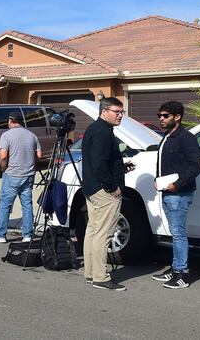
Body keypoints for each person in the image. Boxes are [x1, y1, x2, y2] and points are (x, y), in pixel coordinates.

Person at [151, 101, 200, 289]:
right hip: (167, 192)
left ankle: (182, 274)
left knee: (179, 234)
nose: (161, 119)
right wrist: (159, 181)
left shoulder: (186, 138)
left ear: (177, 117)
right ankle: (175, 268)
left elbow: (195, 166)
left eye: (165, 115)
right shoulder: (167, 137)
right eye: (159, 116)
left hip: (179, 194)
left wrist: (176, 184)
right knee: (175, 233)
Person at [81, 97, 129, 291]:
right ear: (104, 111)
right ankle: (101, 277)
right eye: (116, 112)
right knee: (104, 232)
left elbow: (101, 162)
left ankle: (91, 273)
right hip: (103, 190)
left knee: (93, 230)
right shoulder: (102, 132)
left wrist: (121, 168)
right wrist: (112, 186)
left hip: (92, 187)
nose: (120, 116)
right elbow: (100, 165)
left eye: (121, 112)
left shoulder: (97, 129)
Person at [0, 112, 42, 243]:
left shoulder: (6, 135)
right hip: (28, 174)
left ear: (11, 121)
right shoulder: (32, 135)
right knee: (27, 205)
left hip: (12, 174)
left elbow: (3, 156)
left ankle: (0, 234)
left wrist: (3, 168)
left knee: (5, 204)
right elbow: (39, 154)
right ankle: (27, 235)